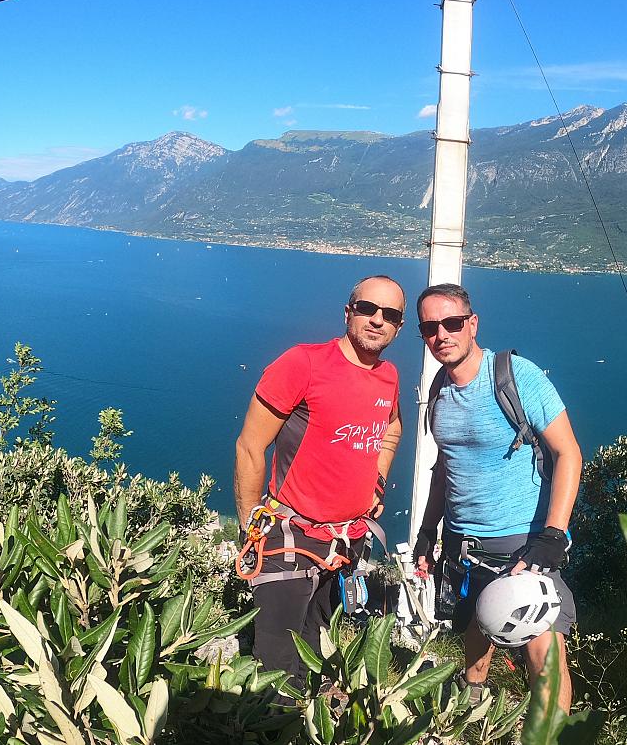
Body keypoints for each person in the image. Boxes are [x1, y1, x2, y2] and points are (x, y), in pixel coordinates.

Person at [412, 282, 583, 712]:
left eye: (452, 323)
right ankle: (470, 710)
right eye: (430, 328)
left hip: (522, 542)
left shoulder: (515, 376)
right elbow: (443, 468)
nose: (441, 335)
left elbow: (568, 452)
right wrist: (428, 531)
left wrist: (553, 535)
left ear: (473, 324)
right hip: (463, 543)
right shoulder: (438, 389)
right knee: (476, 628)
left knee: (543, 651)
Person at [233, 275, 406, 687]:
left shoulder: (389, 376)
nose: (377, 320)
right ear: (348, 312)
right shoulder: (303, 363)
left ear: (399, 327)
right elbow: (250, 447)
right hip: (290, 536)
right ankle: (274, 727)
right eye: (367, 308)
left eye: (391, 315)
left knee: (316, 643)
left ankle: (310, 718)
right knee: (277, 657)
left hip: (348, 541)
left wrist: (376, 484)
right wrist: (249, 527)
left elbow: (392, 427)